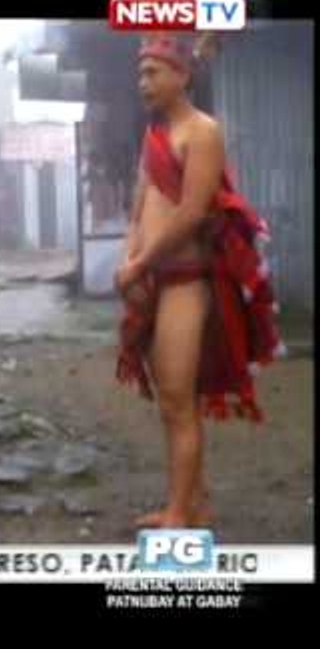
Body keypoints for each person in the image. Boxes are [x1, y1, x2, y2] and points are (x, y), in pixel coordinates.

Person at [115, 33, 283, 529]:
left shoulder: (202, 131)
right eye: (140, 72)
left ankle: (179, 514)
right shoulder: (155, 136)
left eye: (153, 72)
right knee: (170, 401)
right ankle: (189, 504)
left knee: (177, 398)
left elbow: (190, 213)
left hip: (187, 280)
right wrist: (131, 261)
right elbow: (140, 206)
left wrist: (140, 264)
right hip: (151, 277)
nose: (143, 81)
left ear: (182, 75)